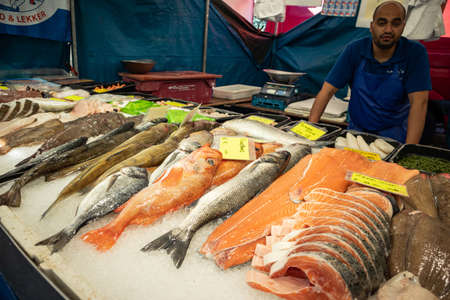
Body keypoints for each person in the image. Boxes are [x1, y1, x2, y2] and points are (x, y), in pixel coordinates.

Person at [309, 0, 431, 143]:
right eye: (382, 23)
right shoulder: (354, 50)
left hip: (395, 135)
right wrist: (310, 131)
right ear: (372, 27)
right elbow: (327, 91)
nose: (388, 30)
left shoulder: (414, 53)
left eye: (395, 24)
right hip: (356, 134)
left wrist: (409, 150)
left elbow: (419, 103)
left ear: (403, 26)